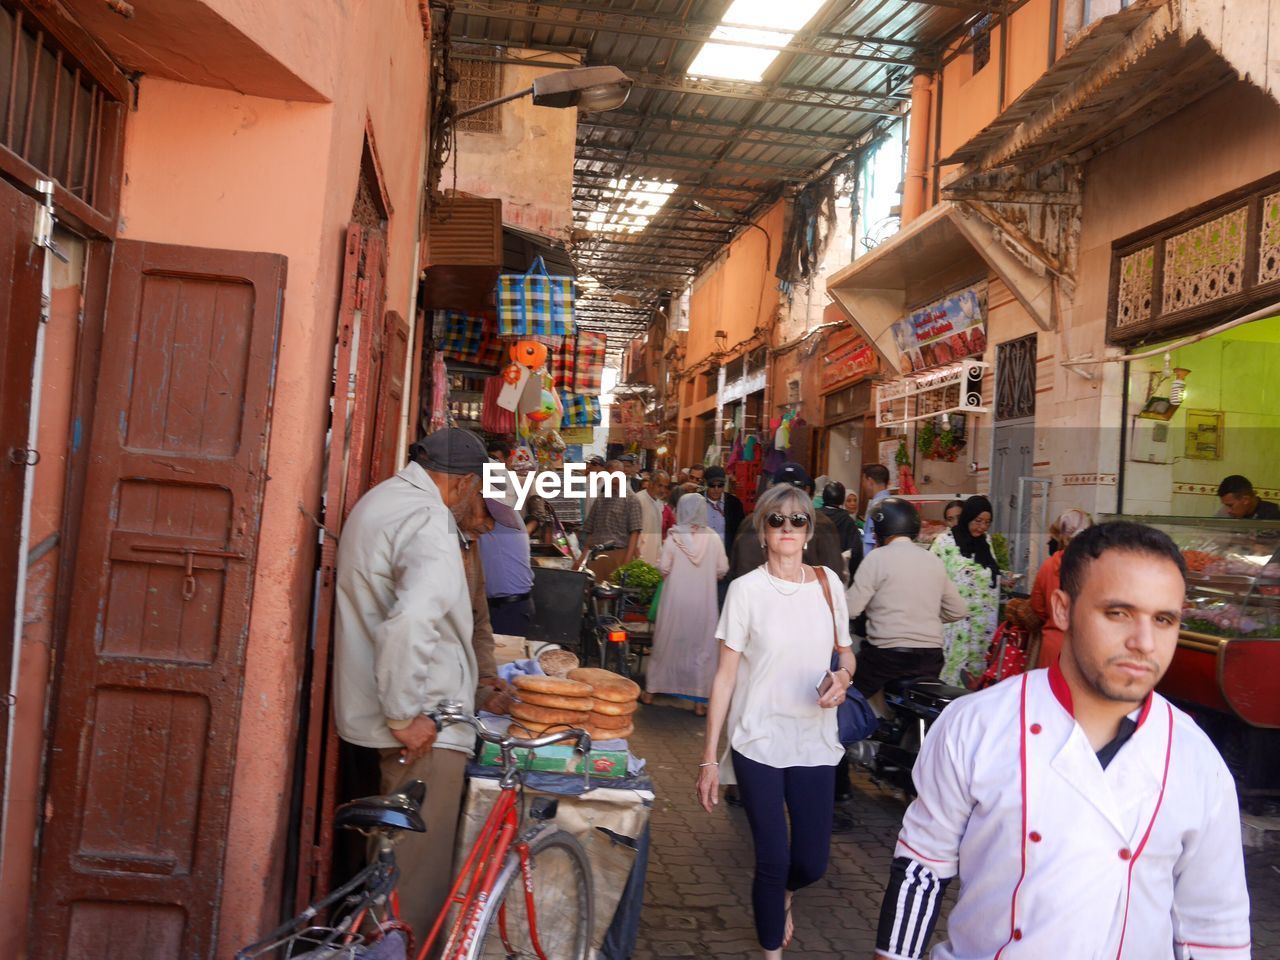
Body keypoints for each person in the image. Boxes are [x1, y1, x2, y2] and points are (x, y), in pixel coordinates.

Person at [873, 521, 1251, 959]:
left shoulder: (1195, 759)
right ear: (1063, 608)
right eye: (1118, 613)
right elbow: (922, 868)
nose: (1144, 643)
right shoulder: (977, 726)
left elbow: (1213, 926)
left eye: (1163, 619)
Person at [334, 428, 488, 939]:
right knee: (413, 888)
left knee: (389, 866)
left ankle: (374, 943)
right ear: (464, 483)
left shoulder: (380, 500)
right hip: (424, 729)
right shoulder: (428, 519)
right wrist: (405, 715)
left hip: (382, 719)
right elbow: (411, 620)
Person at [698, 483, 857, 960]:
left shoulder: (829, 584)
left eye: (798, 520)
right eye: (776, 520)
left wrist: (844, 677)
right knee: (772, 858)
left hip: (814, 739)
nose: (787, 529)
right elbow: (725, 678)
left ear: (808, 532)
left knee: (809, 862)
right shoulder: (746, 592)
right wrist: (709, 759)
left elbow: (846, 653)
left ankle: (786, 894)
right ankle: (771, 947)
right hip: (757, 740)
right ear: (762, 531)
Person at [845, 497, 967, 698]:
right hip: (931, 658)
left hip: (886, 657)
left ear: (882, 529)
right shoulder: (933, 560)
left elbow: (851, 609)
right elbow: (958, 610)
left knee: (848, 698)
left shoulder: (877, 557)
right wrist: (924, 616)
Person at [645, 494, 729, 716]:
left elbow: (663, 568)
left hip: (675, 603)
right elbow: (722, 569)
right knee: (701, 648)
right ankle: (700, 703)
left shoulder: (673, 538)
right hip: (704, 604)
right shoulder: (713, 539)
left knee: (667, 644)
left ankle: (651, 692)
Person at [727, 463, 846, 584]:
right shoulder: (821, 524)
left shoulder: (751, 521)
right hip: (802, 597)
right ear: (807, 489)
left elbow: (735, 570)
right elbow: (834, 573)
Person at [931, 495, 1000, 687]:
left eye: (987, 522)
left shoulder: (986, 542)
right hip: (953, 625)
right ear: (967, 517)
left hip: (981, 627)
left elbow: (989, 575)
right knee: (950, 677)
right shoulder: (944, 543)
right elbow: (931, 580)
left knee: (975, 680)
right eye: (978, 521)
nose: (982, 527)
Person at [1022, 508, 1093, 669]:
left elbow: (1037, 607)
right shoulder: (1098, 566)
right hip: (1088, 647)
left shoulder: (1049, 565)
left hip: (1053, 646)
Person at [476, 495, 537, 637]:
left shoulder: (495, 508)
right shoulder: (497, 509)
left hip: (509, 609)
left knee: (502, 657)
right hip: (505, 606)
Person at [578, 459, 642, 579]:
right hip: (596, 555)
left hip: (619, 554)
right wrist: (583, 558)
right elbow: (590, 531)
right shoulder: (600, 500)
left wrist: (627, 562)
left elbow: (635, 533)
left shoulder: (631, 500)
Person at [819, 481, 862, 582]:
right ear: (842, 499)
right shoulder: (848, 521)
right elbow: (856, 552)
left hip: (813, 572)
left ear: (824, 496)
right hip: (837, 573)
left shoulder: (813, 516)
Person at [704, 465, 745, 549]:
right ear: (705, 483)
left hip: (725, 555)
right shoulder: (697, 501)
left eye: (720, 485)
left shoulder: (734, 503)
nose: (716, 489)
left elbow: (740, 531)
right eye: (712, 485)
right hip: (701, 554)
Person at [636, 470, 670, 565]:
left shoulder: (658, 503)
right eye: (660, 485)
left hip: (653, 560)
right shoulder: (639, 500)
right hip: (640, 560)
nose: (663, 490)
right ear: (651, 484)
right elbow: (634, 534)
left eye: (665, 487)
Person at [860, 463, 891, 555]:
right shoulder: (891, 502)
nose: (863, 485)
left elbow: (871, 539)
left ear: (870, 481)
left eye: (863, 481)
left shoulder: (877, 506)